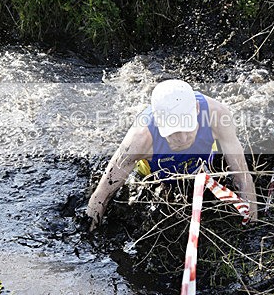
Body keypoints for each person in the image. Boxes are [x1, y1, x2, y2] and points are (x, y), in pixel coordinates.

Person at [86, 79, 258, 231]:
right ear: (158, 121)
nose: (182, 139)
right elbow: (102, 193)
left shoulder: (217, 115)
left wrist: (252, 226)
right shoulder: (140, 139)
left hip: (202, 167)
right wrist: (90, 235)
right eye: (173, 132)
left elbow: (242, 177)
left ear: (197, 110)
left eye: (187, 128)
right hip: (155, 176)